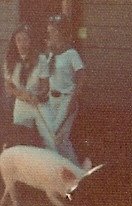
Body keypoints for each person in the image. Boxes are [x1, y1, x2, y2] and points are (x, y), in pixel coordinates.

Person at [40, 14, 85, 164]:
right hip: (51, 100)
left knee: (57, 136)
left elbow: (81, 77)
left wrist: (74, 99)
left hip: (66, 99)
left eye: (53, 31)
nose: (50, 34)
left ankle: (74, 169)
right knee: (56, 138)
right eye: (49, 31)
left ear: (61, 32)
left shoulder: (71, 53)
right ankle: (66, 168)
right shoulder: (51, 53)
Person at [2, 24, 53, 148]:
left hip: (39, 104)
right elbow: (8, 86)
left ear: (31, 41)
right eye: (18, 40)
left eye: (25, 39)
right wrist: (21, 95)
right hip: (21, 105)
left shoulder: (40, 59)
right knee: (20, 138)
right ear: (14, 42)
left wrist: (36, 96)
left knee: (50, 138)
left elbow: (45, 86)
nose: (22, 44)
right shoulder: (10, 61)